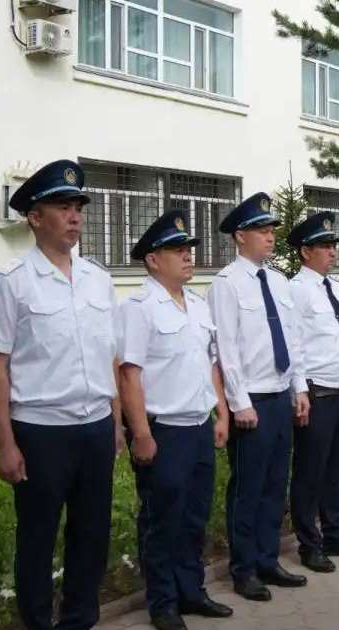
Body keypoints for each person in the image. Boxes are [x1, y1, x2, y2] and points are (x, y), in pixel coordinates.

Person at [0, 160, 120, 630]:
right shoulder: (11, 281)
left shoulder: (99, 279)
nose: (75, 215)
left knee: (92, 535)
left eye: (78, 206)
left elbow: (110, 358)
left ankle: (79, 620)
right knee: (37, 539)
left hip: (95, 427)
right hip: (40, 432)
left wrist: (116, 423)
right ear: (35, 217)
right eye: (63, 206)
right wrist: (5, 442)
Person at [118, 211, 233, 630]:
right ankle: (163, 602)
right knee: (161, 519)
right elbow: (128, 373)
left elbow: (211, 365)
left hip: (198, 425)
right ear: (153, 260)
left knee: (194, 516)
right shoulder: (138, 307)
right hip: (162, 429)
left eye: (188, 250)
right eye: (177, 251)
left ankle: (192, 591)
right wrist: (142, 432)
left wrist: (220, 412)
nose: (188, 257)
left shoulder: (198, 306)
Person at [207, 192, 311, 602]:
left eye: (271, 231)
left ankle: (269, 559)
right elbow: (225, 350)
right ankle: (244, 568)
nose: (270, 238)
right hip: (251, 400)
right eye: (261, 231)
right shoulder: (226, 284)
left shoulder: (280, 283)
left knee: (273, 484)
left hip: (280, 395)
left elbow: (293, 340)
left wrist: (299, 388)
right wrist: (238, 402)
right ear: (240, 236)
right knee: (247, 488)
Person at [285, 212, 339, 575]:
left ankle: (336, 532)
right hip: (317, 392)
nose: (332, 252)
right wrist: (300, 390)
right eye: (324, 246)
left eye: (333, 245)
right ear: (306, 251)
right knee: (310, 470)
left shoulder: (336, 288)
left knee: (338, 468)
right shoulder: (296, 289)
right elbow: (295, 345)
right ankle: (309, 543)